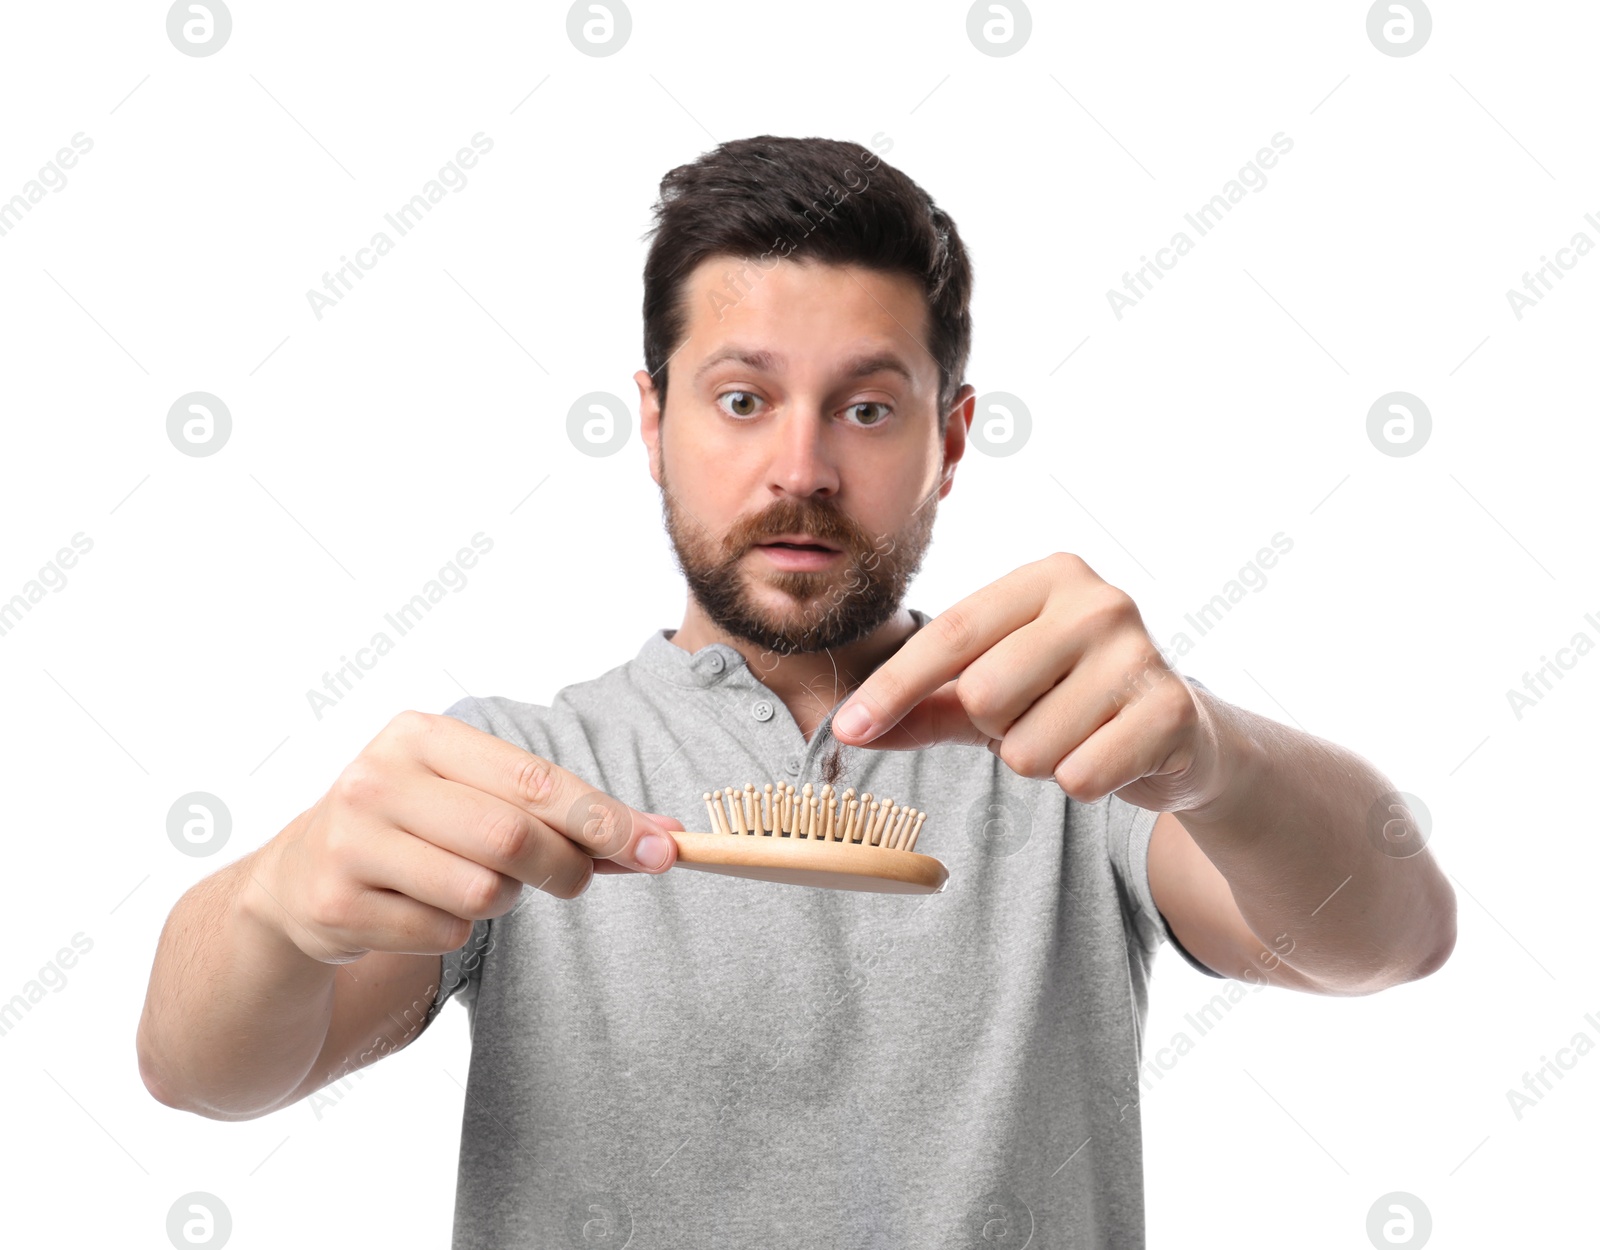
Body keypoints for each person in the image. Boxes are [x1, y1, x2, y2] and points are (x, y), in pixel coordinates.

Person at [137, 135, 1456, 1247]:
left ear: (950, 438)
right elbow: (199, 1068)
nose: (800, 467)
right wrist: (274, 903)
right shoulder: (512, 776)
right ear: (652, 420)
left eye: (868, 410)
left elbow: (1398, 934)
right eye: (742, 397)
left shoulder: (1078, 759)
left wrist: (1214, 753)